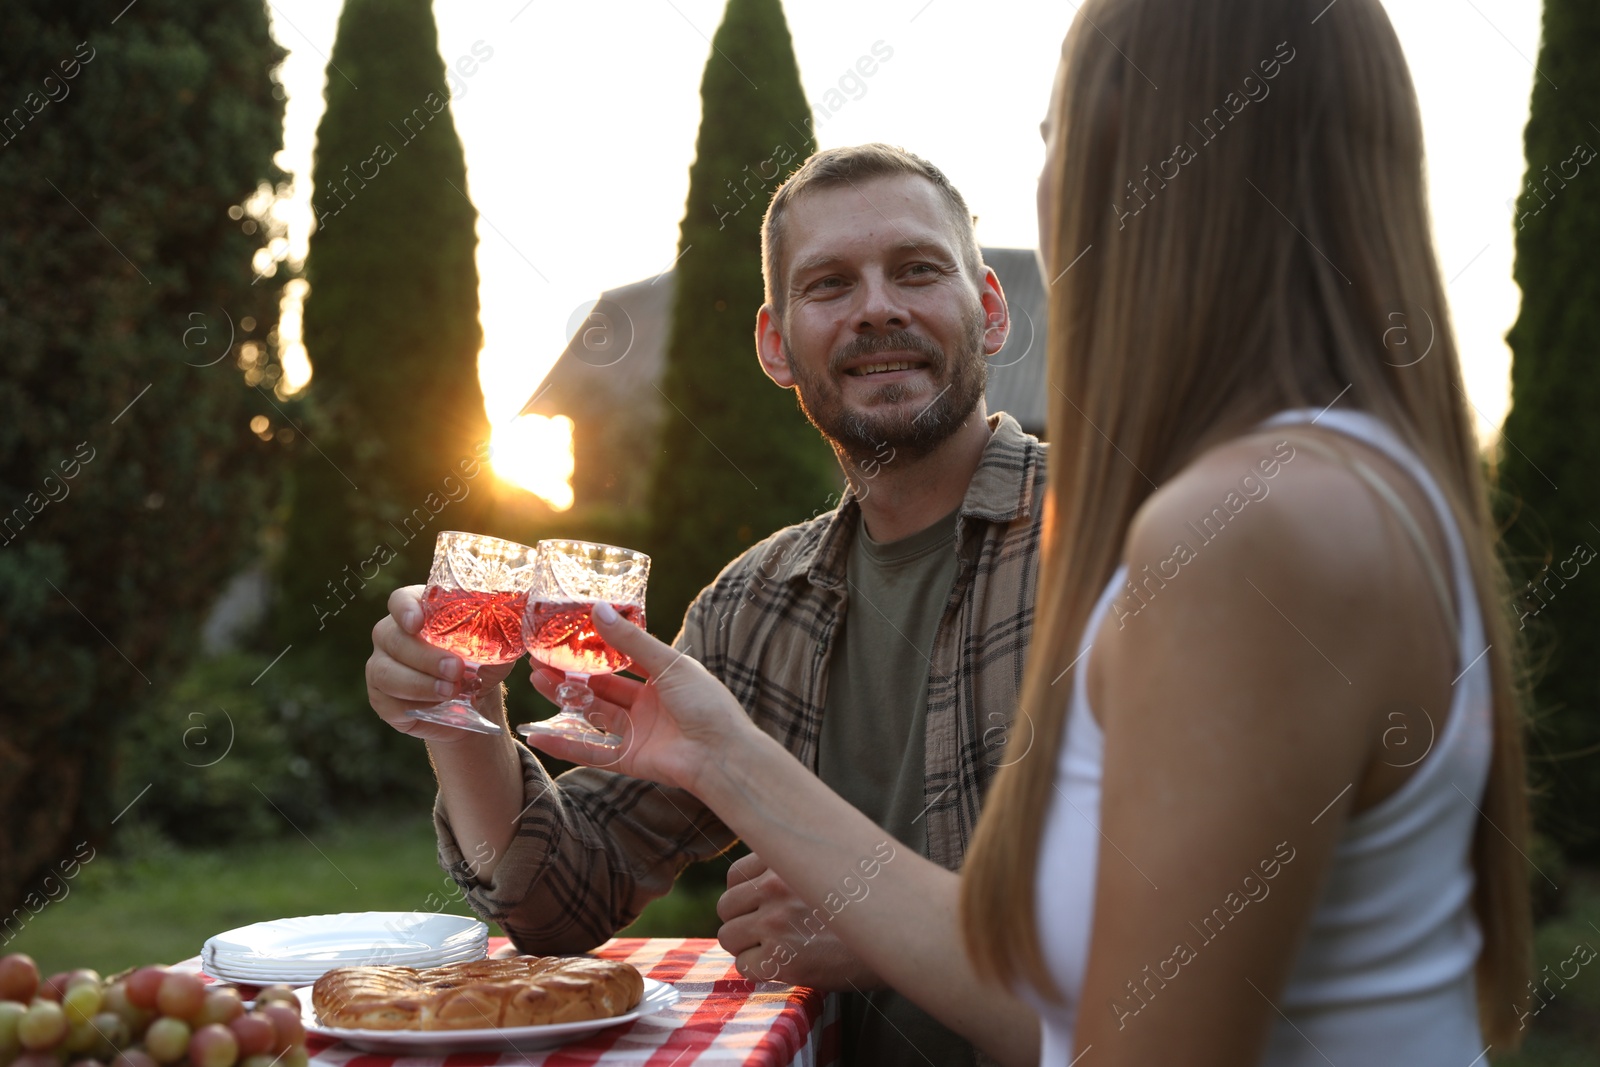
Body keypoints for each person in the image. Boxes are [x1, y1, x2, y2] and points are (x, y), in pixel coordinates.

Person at [506, 1, 1536, 1065]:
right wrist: (701, 750)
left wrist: (746, 780)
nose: (1049, 189)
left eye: (1054, 137)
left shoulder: (1243, 530)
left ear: (1143, 165)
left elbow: (1111, 1037)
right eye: (828, 283)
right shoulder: (1340, 482)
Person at [366, 145, 1047, 1065]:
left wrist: (889, 933)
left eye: (917, 270)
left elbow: (1207, 923)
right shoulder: (754, 603)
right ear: (776, 345)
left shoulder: (1118, 544)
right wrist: (462, 712)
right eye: (830, 283)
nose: (878, 306)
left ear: (991, 311)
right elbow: (559, 898)